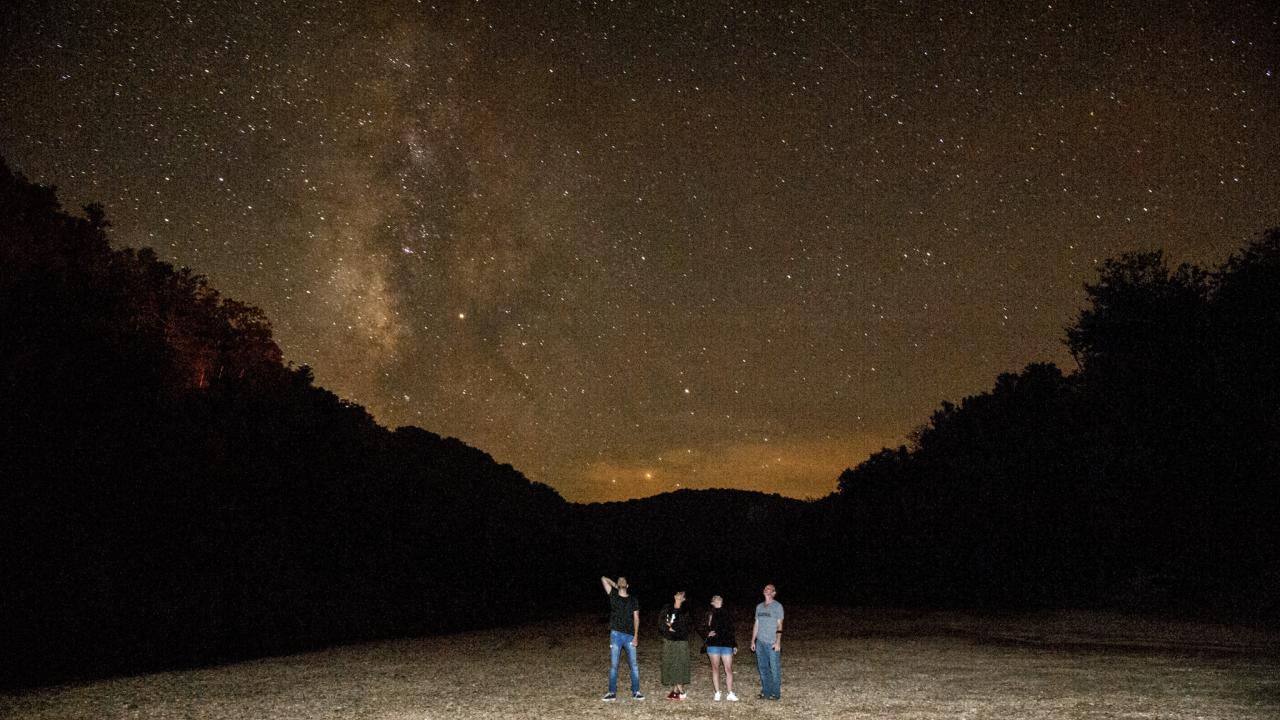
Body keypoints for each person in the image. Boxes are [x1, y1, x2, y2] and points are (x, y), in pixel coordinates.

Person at [600, 576, 643, 701]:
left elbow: (636, 618)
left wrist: (636, 636)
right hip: (616, 635)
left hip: (629, 635)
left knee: (634, 665)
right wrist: (615, 584)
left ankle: (636, 692)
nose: (622, 581)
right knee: (614, 665)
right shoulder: (613, 596)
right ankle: (611, 692)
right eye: (620, 580)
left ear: (627, 585)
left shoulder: (633, 600)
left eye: (624, 580)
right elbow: (603, 578)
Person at [751, 583, 784, 700]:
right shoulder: (759, 607)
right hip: (760, 642)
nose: (767, 589)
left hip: (772, 643)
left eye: (769, 589)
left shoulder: (777, 606)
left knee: (774, 668)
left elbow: (780, 625)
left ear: (774, 593)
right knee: (763, 668)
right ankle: (766, 692)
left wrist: (778, 642)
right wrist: (753, 641)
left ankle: (776, 693)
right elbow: (756, 624)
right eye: (765, 588)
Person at [703, 594, 739, 702]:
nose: (717, 599)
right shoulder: (710, 613)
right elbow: (703, 627)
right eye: (715, 598)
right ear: (712, 602)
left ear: (722, 601)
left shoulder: (728, 613)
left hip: (727, 644)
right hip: (713, 644)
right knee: (715, 668)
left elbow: (731, 629)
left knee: (728, 669)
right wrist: (706, 633)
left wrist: (734, 644)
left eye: (719, 598)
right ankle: (717, 692)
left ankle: (730, 693)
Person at [658, 590, 692, 700]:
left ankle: (680, 690)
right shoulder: (667, 608)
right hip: (669, 640)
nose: (679, 594)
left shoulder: (685, 610)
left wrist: (674, 627)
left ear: (684, 599)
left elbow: (686, 625)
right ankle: (676, 690)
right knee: (671, 662)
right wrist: (668, 627)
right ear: (674, 595)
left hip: (681, 640)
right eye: (678, 593)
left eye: (682, 594)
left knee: (680, 663)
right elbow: (661, 622)